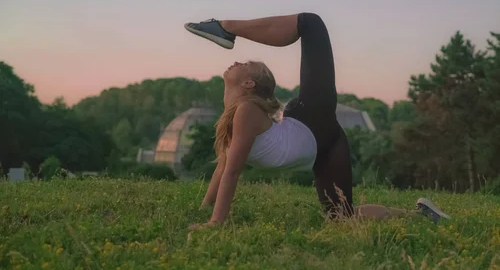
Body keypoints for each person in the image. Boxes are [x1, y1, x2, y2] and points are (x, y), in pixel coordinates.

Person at [183, 12, 449, 229]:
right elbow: (224, 167)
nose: (237, 61)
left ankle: (226, 27)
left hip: (311, 119)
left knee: (311, 24)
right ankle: (421, 215)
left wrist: (215, 222)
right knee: (342, 219)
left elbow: (232, 172)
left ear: (249, 83)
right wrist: (204, 208)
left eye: (245, 63)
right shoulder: (237, 114)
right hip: (326, 145)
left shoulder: (247, 111)